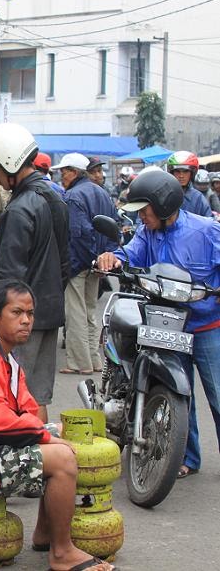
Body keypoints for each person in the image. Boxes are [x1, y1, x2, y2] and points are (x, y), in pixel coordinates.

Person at [0, 280, 113, 571]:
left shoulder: (5, 356)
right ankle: (62, 552)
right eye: (16, 313)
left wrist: (48, 434)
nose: (26, 320)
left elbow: (28, 409)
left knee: (67, 436)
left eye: (30, 313)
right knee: (62, 457)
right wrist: (44, 438)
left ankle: (46, 533)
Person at [95, 169, 220, 481]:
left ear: (163, 207)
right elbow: (129, 253)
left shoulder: (206, 231)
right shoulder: (146, 231)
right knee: (178, 393)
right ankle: (186, 457)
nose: (142, 217)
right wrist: (113, 258)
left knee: (218, 395)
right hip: (167, 324)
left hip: (206, 326)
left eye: (145, 211)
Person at [0, 123, 70, 423]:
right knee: (37, 394)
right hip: (48, 308)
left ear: (8, 160)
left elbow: (9, 275)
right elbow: (66, 259)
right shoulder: (53, 197)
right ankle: (40, 458)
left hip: (19, 315)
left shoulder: (20, 209)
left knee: (15, 394)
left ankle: (24, 459)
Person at [50, 154, 117, 376]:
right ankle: (94, 360)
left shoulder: (73, 196)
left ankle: (80, 363)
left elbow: (78, 234)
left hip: (80, 262)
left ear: (75, 172)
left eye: (65, 171)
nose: (62, 176)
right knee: (89, 311)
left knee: (75, 313)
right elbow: (111, 229)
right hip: (98, 262)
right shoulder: (102, 193)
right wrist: (100, 257)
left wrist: (77, 264)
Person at [166, 151, 212, 217]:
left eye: (185, 171)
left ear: (192, 174)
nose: (181, 176)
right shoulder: (163, 195)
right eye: (177, 171)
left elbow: (209, 222)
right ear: (172, 173)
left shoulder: (198, 198)